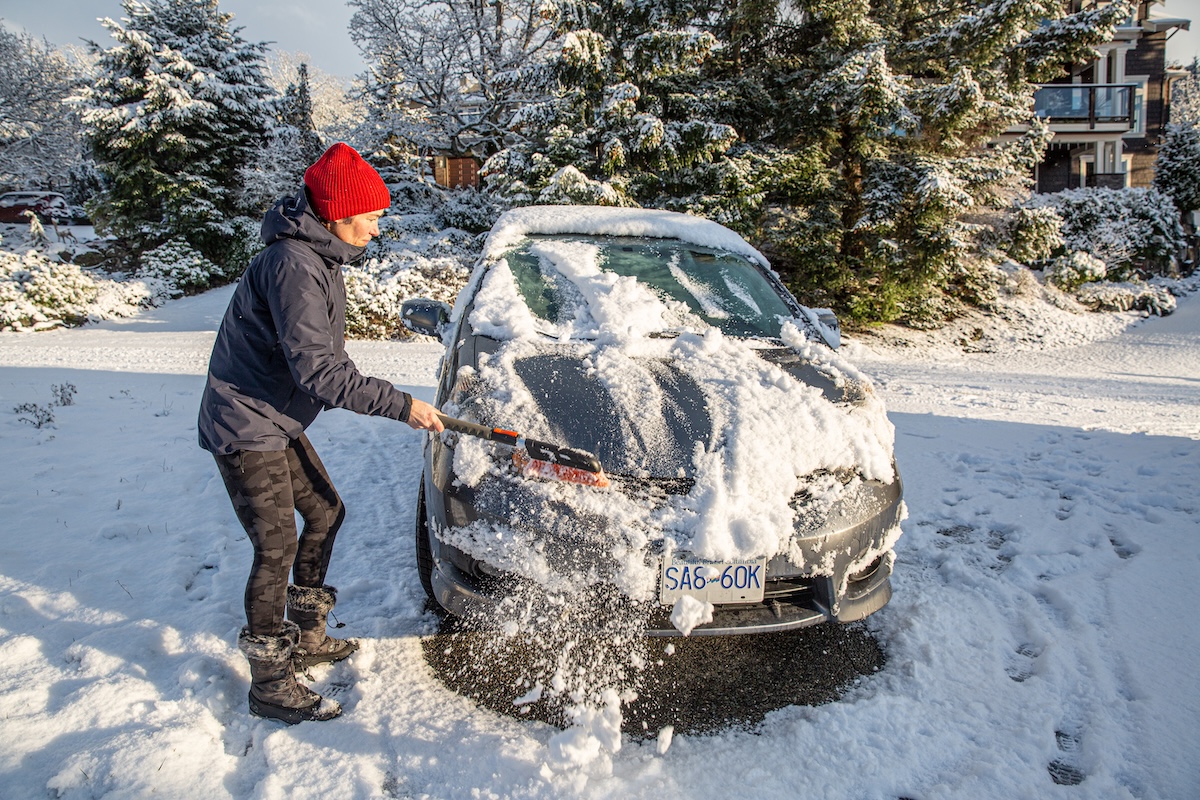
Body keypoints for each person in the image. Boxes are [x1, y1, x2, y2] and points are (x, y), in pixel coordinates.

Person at [198, 142, 444, 724]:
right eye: (374, 215)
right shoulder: (293, 264)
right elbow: (319, 369)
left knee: (326, 512)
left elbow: (314, 361)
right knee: (275, 546)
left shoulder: (317, 258)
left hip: (273, 421)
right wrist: (401, 404)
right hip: (245, 423)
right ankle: (270, 683)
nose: (379, 228)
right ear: (338, 212)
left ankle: (307, 635)